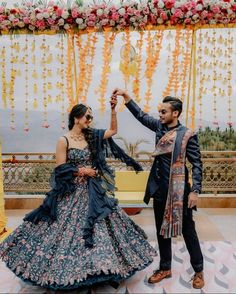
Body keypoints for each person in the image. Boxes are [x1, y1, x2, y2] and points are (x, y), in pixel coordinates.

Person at [0, 96, 156, 290]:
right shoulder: (63, 140)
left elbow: (113, 131)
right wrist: (82, 171)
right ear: (76, 118)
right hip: (71, 192)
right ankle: (66, 271)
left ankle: (102, 268)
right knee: (65, 231)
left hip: (92, 191)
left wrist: (114, 110)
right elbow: (60, 169)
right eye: (87, 117)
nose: (90, 121)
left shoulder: (91, 136)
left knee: (102, 227)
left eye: (91, 117)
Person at [112, 88, 204, 289]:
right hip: (160, 190)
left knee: (189, 231)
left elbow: (197, 164)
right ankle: (165, 267)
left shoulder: (187, 135)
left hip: (180, 192)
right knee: (162, 232)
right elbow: (141, 116)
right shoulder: (159, 128)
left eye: (164, 112)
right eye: (160, 112)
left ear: (175, 113)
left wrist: (195, 190)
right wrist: (127, 98)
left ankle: (198, 270)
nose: (160, 115)